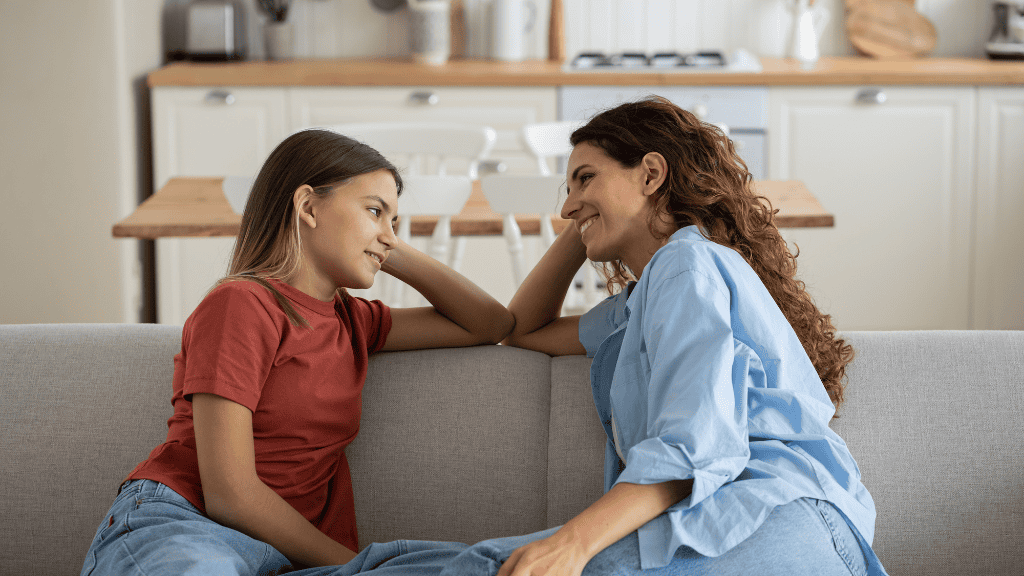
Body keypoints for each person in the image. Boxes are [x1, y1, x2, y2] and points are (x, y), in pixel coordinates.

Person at [456, 96, 889, 576]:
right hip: (742, 515)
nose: (565, 204)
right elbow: (523, 328)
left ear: (650, 175)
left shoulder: (686, 265)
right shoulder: (650, 294)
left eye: (585, 177)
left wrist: (574, 545)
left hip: (779, 512)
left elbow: (692, 446)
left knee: (493, 569)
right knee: (475, 563)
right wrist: (587, 216)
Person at [80, 129, 514, 576]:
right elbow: (230, 494)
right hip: (190, 526)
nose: (389, 233)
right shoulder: (241, 304)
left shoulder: (353, 321)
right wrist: (358, 568)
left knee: (488, 565)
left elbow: (491, 324)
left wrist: (386, 244)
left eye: (395, 220)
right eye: (373, 210)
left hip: (289, 558)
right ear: (308, 206)